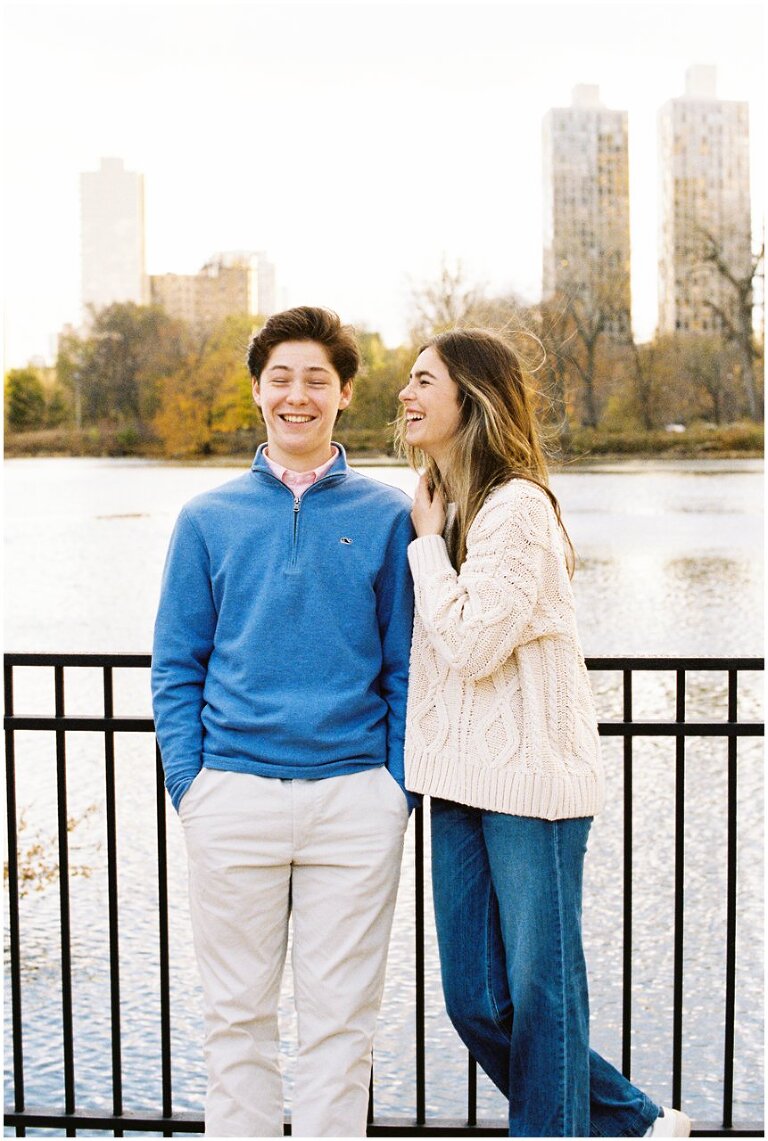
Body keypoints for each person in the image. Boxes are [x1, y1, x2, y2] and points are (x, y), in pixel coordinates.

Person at [398, 327, 691, 1139]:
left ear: (474, 398)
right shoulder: (445, 505)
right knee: (476, 1002)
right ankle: (635, 1121)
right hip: (455, 781)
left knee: (542, 993)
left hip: (530, 784)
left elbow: (471, 642)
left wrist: (426, 546)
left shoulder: (518, 507)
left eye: (425, 381)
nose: (407, 395)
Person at [151, 306, 415, 1138]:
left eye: (316, 380)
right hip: (233, 797)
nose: (297, 396)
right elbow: (176, 664)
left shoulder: (388, 514)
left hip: (355, 801)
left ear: (342, 395)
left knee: (342, 1028)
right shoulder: (206, 517)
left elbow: (408, 662)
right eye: (281, 378)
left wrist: (396, 787)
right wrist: (193, 786)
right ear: (259, 391)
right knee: (236, 1022)